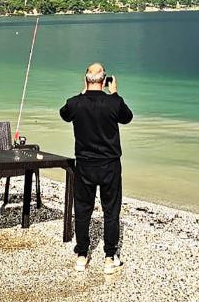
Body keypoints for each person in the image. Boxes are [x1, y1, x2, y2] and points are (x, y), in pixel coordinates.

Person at [60, 62, 133, 274]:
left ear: (85, 80)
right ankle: (110, 257)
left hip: (84, 164)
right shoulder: (114, 103)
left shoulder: (75, 103)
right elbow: (127, 117)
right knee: (111, 211)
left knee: (82, 210)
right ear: (105, 80)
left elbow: (64, 113)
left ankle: (82, 255)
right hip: (109, 164)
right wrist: (115, 93)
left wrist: (82, 92)